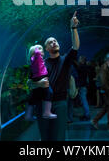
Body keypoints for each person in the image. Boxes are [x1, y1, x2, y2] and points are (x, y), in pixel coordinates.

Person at [30, 11, 80, 141]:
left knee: (59, 137)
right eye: (50, 42)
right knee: (45, 137)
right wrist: (38, 84)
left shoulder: (65, 60)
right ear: (46, 48)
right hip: (42, 104)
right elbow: (29, 84)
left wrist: (73, 28)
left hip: (60, 103)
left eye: (55, 41)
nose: (53, 42)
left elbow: (75, 46)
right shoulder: (41, 64)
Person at [25, 45, 57, 120]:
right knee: (49, 92)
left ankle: (28, 115)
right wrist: (39, 83)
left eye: (41, 48)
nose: (40, 50)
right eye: (39, 49)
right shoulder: (37, 59)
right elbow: (29, 82)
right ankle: (46, 112)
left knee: (32, 98)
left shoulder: (37, 62)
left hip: (39, 88)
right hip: (41, 81)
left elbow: (30, 80)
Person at [91, 53, 109, 132]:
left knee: (106, 107)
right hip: (107, 92)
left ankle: (94, 120)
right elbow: (103, 81)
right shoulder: (104, 67)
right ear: (108, 59)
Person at [73, 56, 91, 121]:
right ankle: (86, 114)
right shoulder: (85, 67)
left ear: (82, 60)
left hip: (82, 86)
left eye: (80, 59)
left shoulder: (82, 67)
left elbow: (77, 67)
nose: (79, 60)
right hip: (84, 86)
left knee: (84, 100)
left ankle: (87, 115)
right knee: (83, 100)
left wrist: (72, 60)